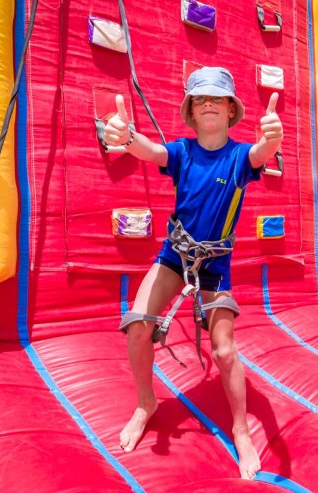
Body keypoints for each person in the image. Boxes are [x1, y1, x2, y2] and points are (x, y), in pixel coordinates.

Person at [103, 66, 283, 480]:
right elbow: (152, 152)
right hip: (174, 255)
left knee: (224, 351)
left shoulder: (240, 157)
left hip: (214, 266)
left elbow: (261, 153)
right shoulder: (182, 152)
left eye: (217, 98)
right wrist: (128, 138)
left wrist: (270, 139)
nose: (208, 104)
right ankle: (146, 403)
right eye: (201, 98)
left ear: (231, 109)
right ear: (190, 109)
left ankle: (240, 429)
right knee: (136, 324)